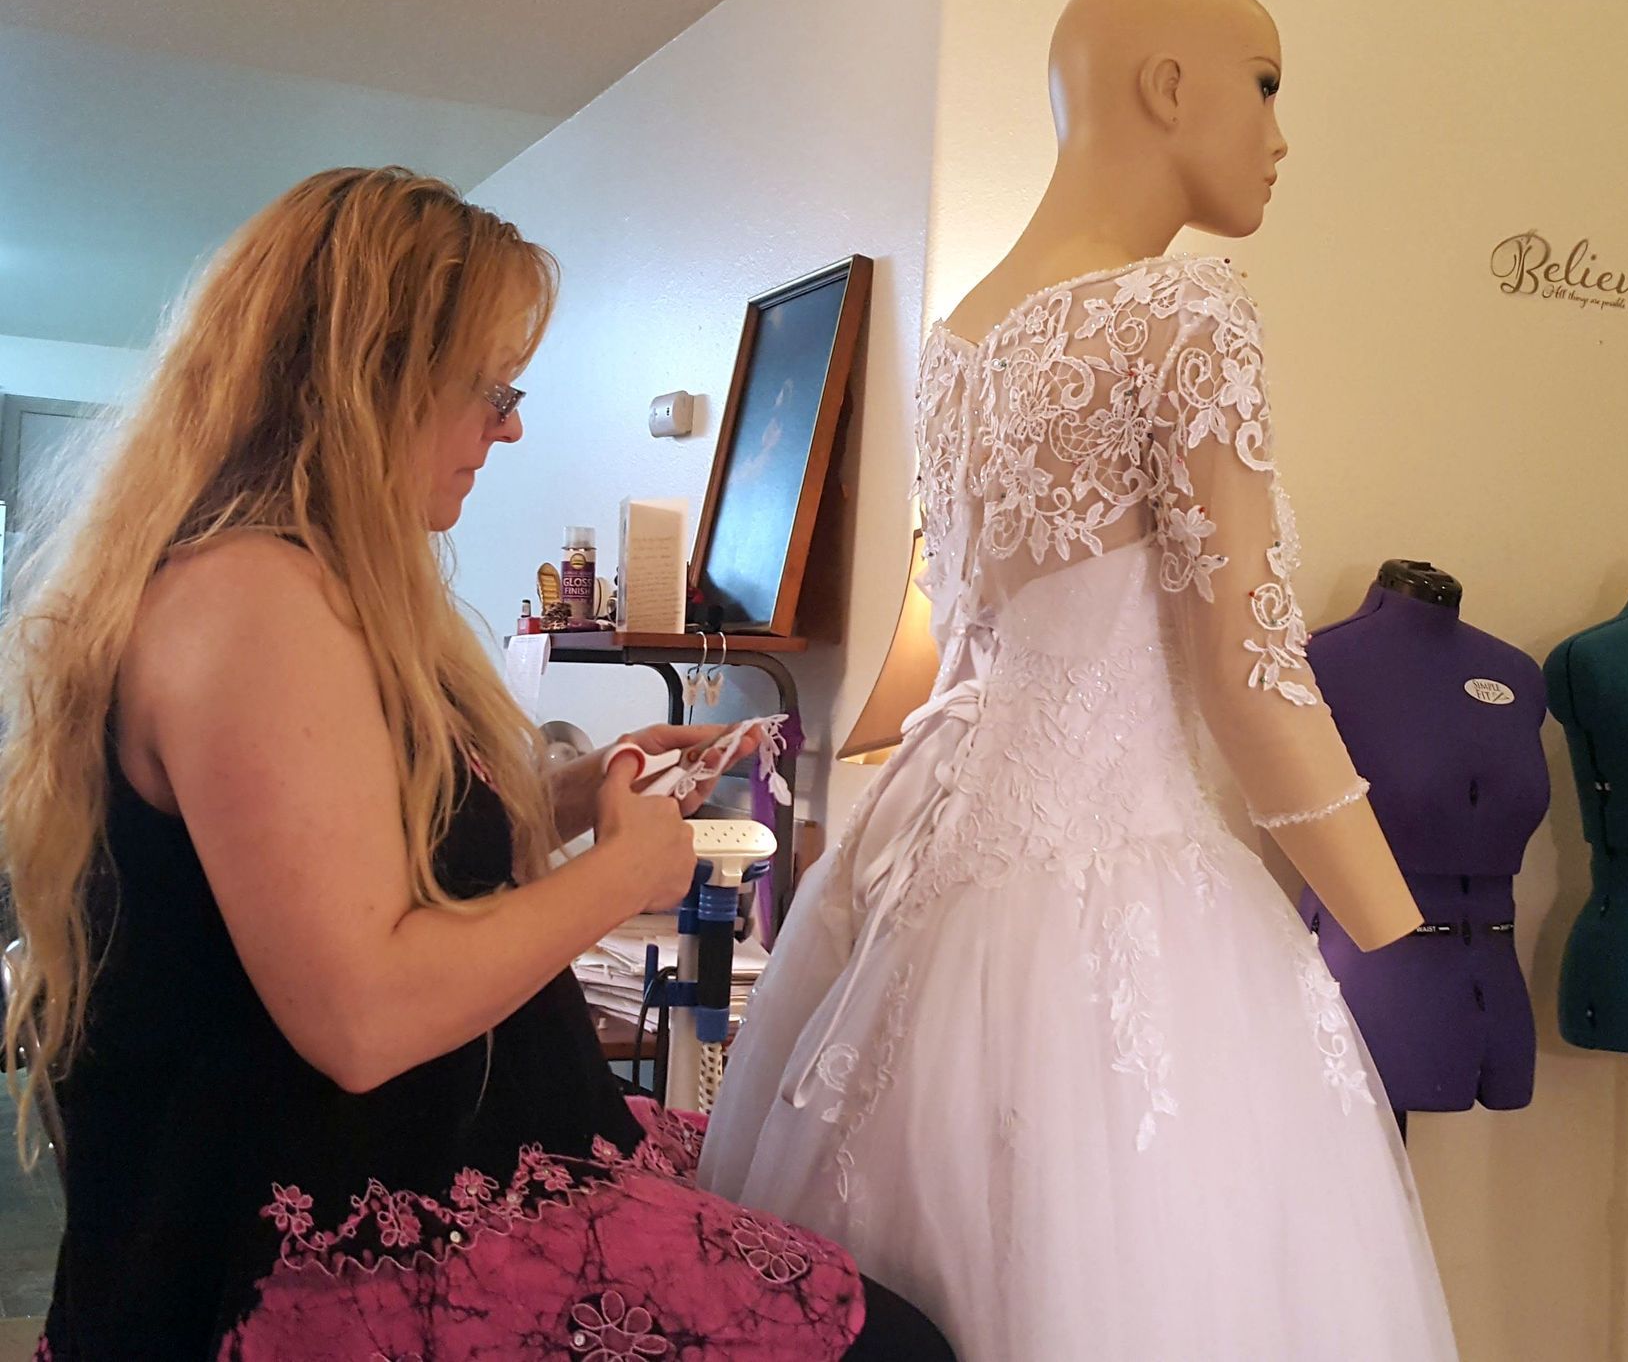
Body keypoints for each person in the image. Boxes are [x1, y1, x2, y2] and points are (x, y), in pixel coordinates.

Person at [0, 167, 953, 1361]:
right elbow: (363, 1010)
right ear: (372, 378)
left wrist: (568, 788)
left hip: (432, 1179)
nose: (509, 428)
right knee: (895, 1342)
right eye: (490, 389)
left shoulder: (303, 580)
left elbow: (349, 844)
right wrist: (621, 874)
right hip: (327, 1264)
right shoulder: (249, 599)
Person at [699, 0, 1458, 1359]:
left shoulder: (959, 341)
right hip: (1121, 881)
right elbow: (1248, 664)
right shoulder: (1185, 316)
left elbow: (963, 646)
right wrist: (1392, 921)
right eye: (1269, 85)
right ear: (1169, 87)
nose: (1283, 137)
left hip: (934, 887)